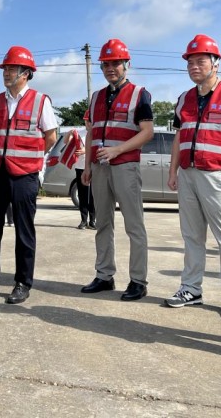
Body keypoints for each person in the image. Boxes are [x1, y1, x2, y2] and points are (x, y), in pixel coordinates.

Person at [0, 46, 57, 304]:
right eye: (5, 69)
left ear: (26, 73)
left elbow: (51, 137)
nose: (6, 73)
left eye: (12, 69)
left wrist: (31, 158)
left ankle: (22, 282)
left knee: (24, 231)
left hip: (25, 175)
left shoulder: (40, 101)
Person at [165, 34, 221, 317]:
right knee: (191, 236)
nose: (194, 66)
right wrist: (173, 169)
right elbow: (179, 137)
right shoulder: (184, 99)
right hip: (188, 173)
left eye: (201, 60)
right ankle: (191, 288)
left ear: (216, 63)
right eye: (190, 62)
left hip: (219, 174)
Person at [79, 39, 153, 301]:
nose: (111, 68)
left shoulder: (139, 93)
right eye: (106, 64)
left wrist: (117, 150)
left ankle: (138, 280)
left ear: (126, 64)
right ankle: (104, 275)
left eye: (116, 63)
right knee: (103, 223)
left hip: (125, 166)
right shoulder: (97, 96)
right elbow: (91, 134)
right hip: (99, 168)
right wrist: (86, 165)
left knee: (134, 225)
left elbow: (147, 132)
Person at [60, 128, 96, 230]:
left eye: (90, 121)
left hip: (93, 166)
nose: (88, 123)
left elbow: (99, 146)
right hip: (80, 167)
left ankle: (93, 220)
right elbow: (66, 142)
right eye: (86, 121)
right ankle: (84, 220)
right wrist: (68, 133)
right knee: (82, 194)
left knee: (93, 195)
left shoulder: (97, 131)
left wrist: (86, 150)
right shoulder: (79, 132)